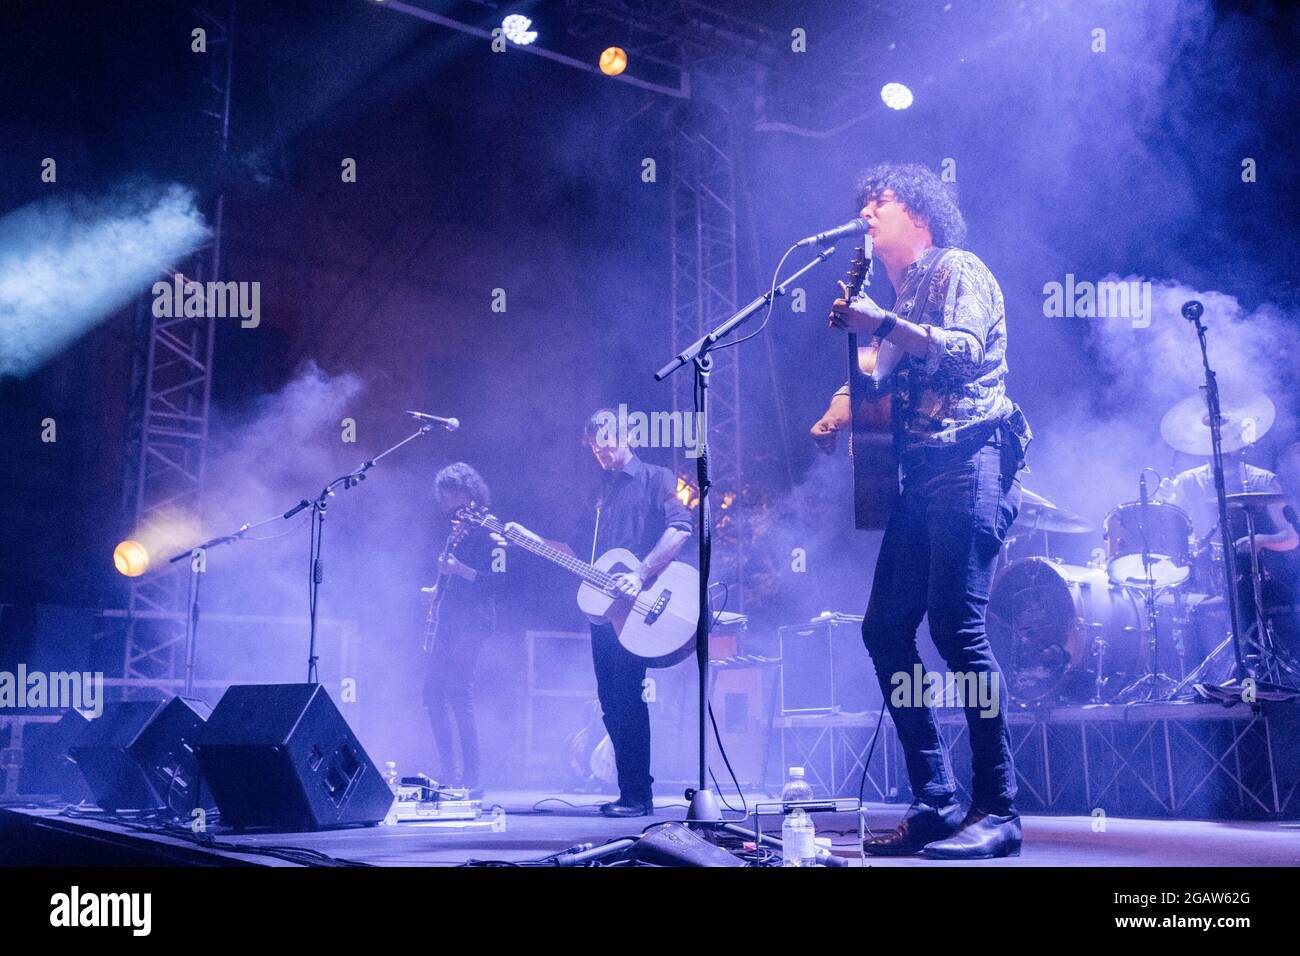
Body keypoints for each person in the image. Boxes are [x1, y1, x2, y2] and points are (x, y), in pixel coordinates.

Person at [809, 163, 1031, 859]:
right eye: (862, 203)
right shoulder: (901, 293)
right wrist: (844, 403)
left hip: (971, 460)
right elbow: (881, 378)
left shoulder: (955, 268)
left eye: (881, 201)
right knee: (884, 629)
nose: (867, 212)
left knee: (958, 630)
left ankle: (998, 809)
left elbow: (963, 354)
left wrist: (879, 321)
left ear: (920, 213)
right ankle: (935, 797)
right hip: (921, 477)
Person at [575, 409, 692, 817]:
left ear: (628, 438)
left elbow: (680, 528)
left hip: (642, 606)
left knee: (627, 697)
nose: (602, 454)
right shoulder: (599, 491)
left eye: (607, 445)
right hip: (604, 611)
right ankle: (630, 790)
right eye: (594, 448)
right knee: (610, 700)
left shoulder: (658, 478)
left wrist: (641, 574)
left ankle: (638, 795)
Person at [422, 462, 504, 799]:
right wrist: (436, 589)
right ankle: (449, 772)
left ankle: (472, 777)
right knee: (432, 693)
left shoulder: (490, 529)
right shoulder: (459, 527)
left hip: (474, 620)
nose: (442, 498)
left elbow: (498, 581)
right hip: (450, 619)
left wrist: (459, 569)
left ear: (465, 493)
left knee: (459, 692)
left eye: (448, 492)